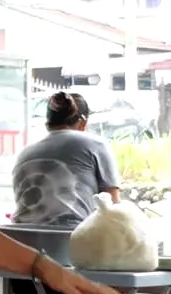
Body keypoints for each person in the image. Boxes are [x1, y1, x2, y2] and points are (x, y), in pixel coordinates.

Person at [12, 91, 120, 228]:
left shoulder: (24, 153)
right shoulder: (96, 144)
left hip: (21, 237)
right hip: (71, 237)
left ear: (48, 123)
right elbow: (113, 208)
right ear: (83, 123)